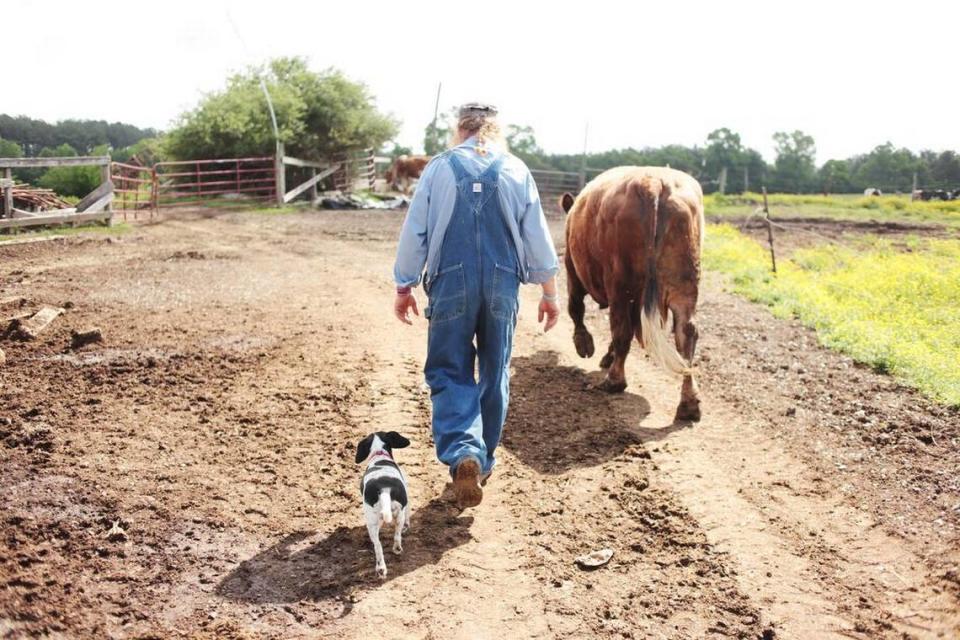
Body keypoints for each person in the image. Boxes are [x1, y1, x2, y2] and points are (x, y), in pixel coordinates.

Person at [393, 103, 560, 508]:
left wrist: (404, 284)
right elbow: (536, 235)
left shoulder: (438, 167)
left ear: (460, 129)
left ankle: (464, 451)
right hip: (503, 282)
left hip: (451, 279)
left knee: (449, 367)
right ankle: (481, 459)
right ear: (494, 129)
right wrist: (550, 294)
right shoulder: (516, 169)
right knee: (495, 368)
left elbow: (416, 228)